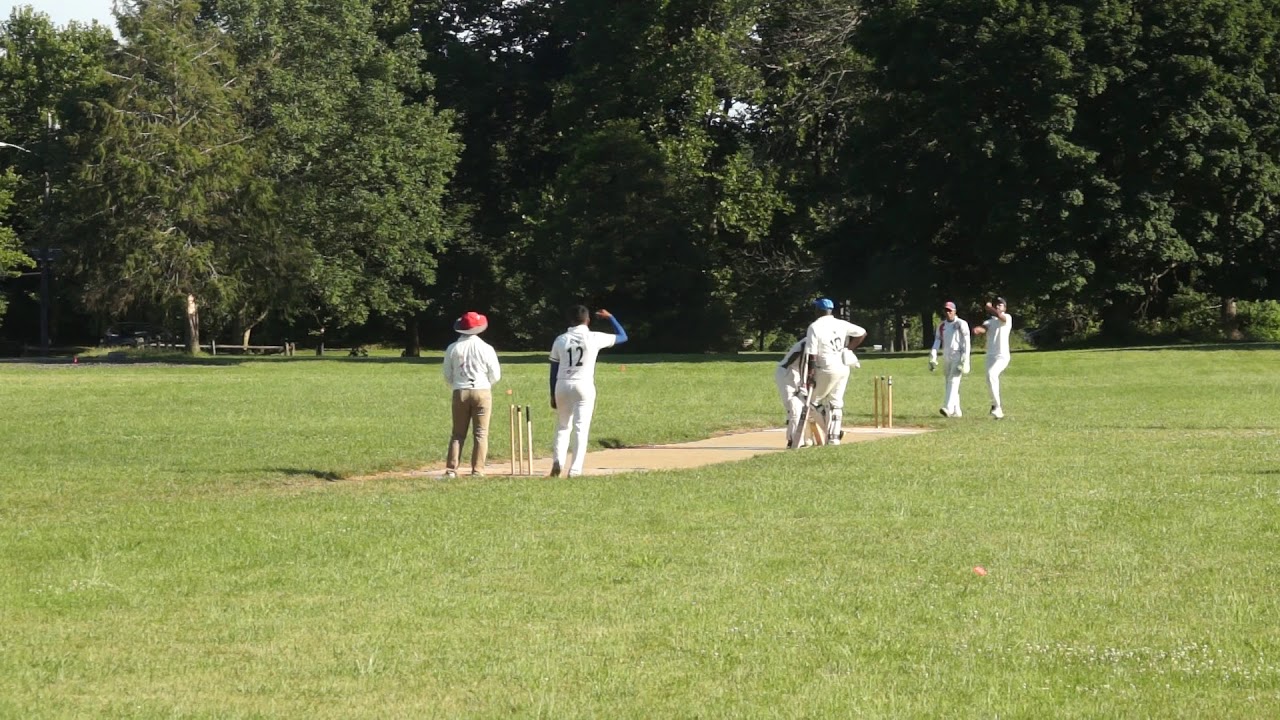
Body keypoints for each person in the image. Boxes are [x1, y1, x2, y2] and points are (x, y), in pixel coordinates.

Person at [548, 305, 628, 476]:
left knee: (562, 426)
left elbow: (554, 368)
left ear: (570, 320)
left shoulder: (560, 339)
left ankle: (558, 461)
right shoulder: (594, 337)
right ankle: (575, 469)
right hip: (583, 385)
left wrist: (552, 392)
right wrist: (611, 317)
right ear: (588, 320)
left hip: (562, 384)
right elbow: (623, 337)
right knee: (580, 428)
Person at [442, 310, 502, 477]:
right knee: (481, 433)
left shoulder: (453, 348)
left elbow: (447, 374)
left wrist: (457, 385)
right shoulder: (486, 348)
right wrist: (485, 384)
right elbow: (495, 374)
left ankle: (452, 469)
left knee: (458, 433)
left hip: (460, 391)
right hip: (482, 390)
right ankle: (478, 470)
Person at [803, 298, 866, 445]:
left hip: (826, 368)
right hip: (843, 367)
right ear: (830, 310)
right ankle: (834, 438)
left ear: (817, 310)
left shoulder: (815, 326)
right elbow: (862, 333)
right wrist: (848, 349)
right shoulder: (840, 323)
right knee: (835, 403)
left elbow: (812, 354)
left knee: (811, 402)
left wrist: (810, 375)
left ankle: (829, 430)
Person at [973, 296, 1013, 419]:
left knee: (992, 375)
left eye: (1000, 305)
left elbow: (1000, 316)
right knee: (989, 380)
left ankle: (997, 407)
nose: (997, 306)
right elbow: (983, 329)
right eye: (996, 304)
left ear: (1005, 308)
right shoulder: (989, 322)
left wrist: (989, 308)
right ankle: (995, 405)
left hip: (1002, 356)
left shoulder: (1007, 317)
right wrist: (976, 330)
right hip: (990, 356)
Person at [929, 301, 971, 417]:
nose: (948, 313)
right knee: (949, 383)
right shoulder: (942, 325)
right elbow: (937, 340)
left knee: (954, 381)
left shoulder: (961, 324)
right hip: (946, 356)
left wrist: (966, 358)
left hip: (958, 355)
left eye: (950, 311)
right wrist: (933, 355)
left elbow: (967, 342)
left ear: (954, 311)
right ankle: (956, 411)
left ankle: (948, 408)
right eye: (946, 310)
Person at [774, 339, 807, 449]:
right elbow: (801, 354)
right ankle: (793, 439)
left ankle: (797, 438)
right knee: (793, 405)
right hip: (787, 372)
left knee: (800, 405)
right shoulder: (809, 340)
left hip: (796, 373)